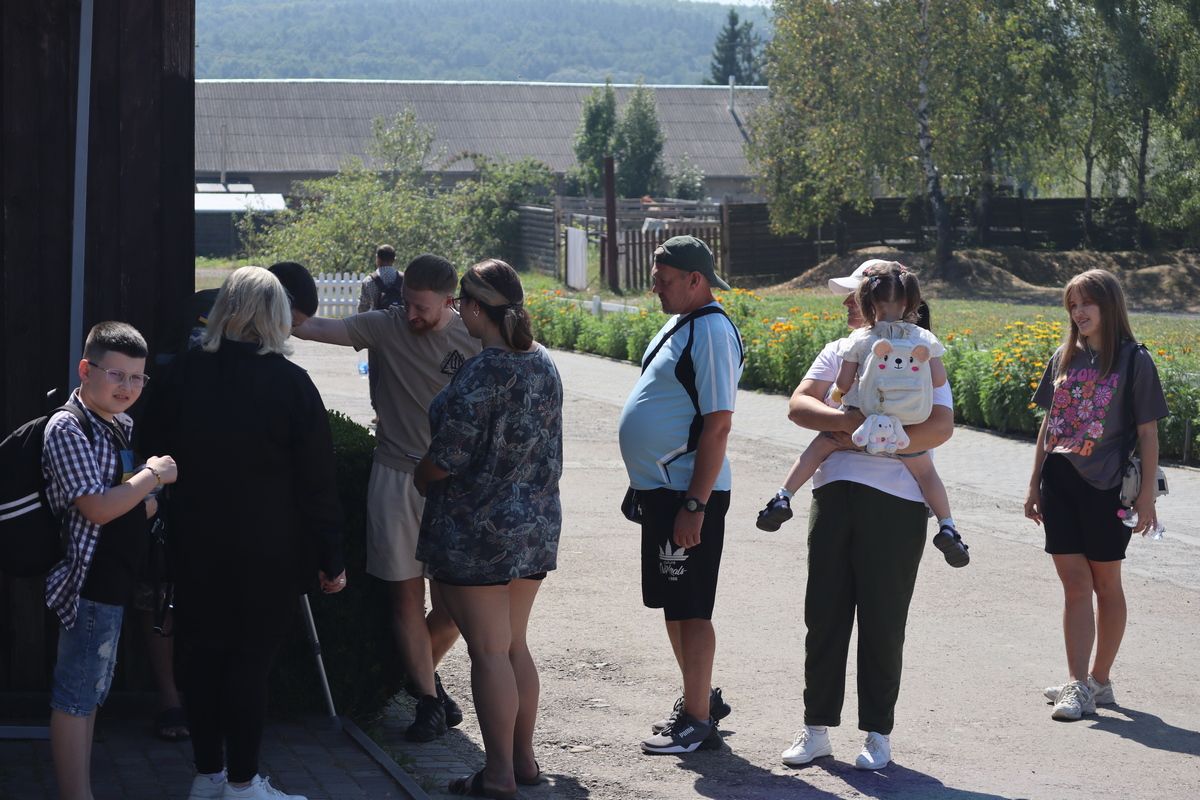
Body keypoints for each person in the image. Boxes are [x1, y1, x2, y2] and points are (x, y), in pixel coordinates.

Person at [143, 267, 346, 800]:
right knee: (250, 663)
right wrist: (332, 556)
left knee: (202, 656)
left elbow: (152, 451)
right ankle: (242, 781)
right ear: (277, 316)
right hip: (268, 548)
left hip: (195, 538)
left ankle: (207, 774)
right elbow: (317, 483)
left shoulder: (183, 374)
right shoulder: (291, 384)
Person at [293, 253, 480, 741]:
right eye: (407, 305)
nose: (412, 316)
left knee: (459, 605)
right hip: (396, 475)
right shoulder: (384, 325)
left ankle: (415, 682)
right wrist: (272, 298)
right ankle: (426, 698)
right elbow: (313, 328)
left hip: (455, 484)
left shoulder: (475, 337)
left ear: (450, 302)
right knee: (404, 595)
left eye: (423, 308)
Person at [779, 259, 955, 771]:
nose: (848, 301)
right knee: (824, 615)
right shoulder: (839, 350)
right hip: (835, 493)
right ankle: (816, 730)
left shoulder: (923, 353)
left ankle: (878, 734)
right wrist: (855, 422)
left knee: (884, 620)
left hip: (899, 503)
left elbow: (941, 425)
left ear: (886, 300)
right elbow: (799, 406)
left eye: (856, 292)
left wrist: (872, 440)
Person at [414, 259, 563, 799]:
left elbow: (447, 458)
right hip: (534, 528)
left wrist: (420, 473)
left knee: (490, 653)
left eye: (462, 305)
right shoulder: (543, 362)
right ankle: (524, 763)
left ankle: (497, 775)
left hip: (477, 532)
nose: (458, 313)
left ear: (477, 309)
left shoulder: (482, 371)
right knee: (515, 646)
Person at [617, 235, 744, 755]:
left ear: (696, 280)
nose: (655, 288)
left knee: (691, 608)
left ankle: (696, 722)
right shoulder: (683, 322)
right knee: (674, 604)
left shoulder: (711, 330)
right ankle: (701, 700)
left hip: (687, 494)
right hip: (663, 491)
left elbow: (717, 426)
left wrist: (696, 503)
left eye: (664, 281)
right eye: (655, 278)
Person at [755, 261, 969, 567]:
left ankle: (783, 496)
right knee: (925, 472)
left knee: (821, 445)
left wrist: (840, 404)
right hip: (905, 430)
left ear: (867, 302)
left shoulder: (858, 341)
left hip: (858, 426)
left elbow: (842, 384)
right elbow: (937, 381)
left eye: (853, 295)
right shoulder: (923, 340)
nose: (846, 302)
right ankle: (948, 525)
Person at [1024, 269, 1168, 722]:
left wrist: (1147, 497)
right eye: (1072, 305)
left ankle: (1098, 681)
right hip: (1060, 480)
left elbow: (1148, 433)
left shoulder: (1134, 360)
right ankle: (1076, 683)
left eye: (1087, 303)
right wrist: (1033, 484)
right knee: (1074, 586)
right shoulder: (1064, 355)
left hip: (1108, 487)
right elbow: (1048, 424)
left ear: (1109, 306)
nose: (1078, 312)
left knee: (1106, 584)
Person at [44, 321, 179, 800]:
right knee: (75, 698)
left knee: (89, 694)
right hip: (87, 583)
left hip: (115, 580)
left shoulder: (119, 424)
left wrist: (142, 496)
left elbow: (123, 505)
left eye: (137, 378)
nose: (127, 388)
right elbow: (97, 508)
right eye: (116, 375)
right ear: (86, 369)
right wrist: (152, 476)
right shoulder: (67, 427)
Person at [358, 245, 404, 422]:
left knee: (376, 373)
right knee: (397, 371)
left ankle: (378, 412)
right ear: (394, 259)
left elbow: (363, 307)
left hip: (376, 332)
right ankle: (396, 410)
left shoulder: (370, 281)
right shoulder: (404, 280)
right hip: (400, 332)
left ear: (377, 258)